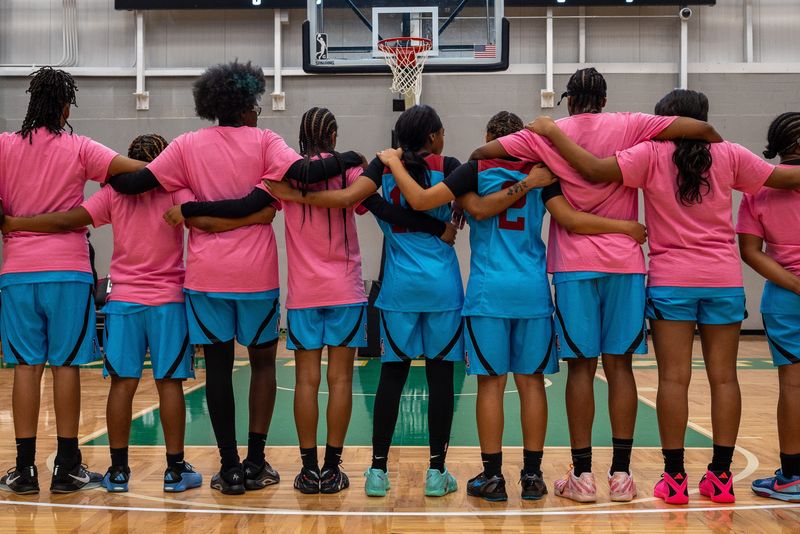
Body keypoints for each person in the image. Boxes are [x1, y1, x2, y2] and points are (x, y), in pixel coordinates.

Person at [104, 61, 368, 495]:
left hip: (206, 279)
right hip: (257, 276)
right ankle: (256, 461)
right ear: (245, 106)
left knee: (220, 370)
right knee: (263, 364)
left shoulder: (187, 145)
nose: (259, 113)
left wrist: (93, 168)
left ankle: (228, 467)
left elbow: (137, 182)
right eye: (256, 105)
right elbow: (304, 174)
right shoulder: (266, 141)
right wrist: (351, 159)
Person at [530, 89, 800, 505]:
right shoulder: (729, 153)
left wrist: (551, 132)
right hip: (723, 280)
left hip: (671, 279)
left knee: (674, 379)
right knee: (725, 378)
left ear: (666, 121)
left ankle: (675, 479)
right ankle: (721, 478)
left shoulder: (649, 154)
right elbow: (783, 176)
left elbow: (594, 169)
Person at [470, 68, 723, 503]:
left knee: (582, 369)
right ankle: (622, 475)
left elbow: (483, 150)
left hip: (574, 267)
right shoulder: (632, 124)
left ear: (568, 100)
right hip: (626, 264)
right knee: (620, 367)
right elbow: (704, 129)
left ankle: (582, 476)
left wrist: (540, 148)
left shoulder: (548, 135)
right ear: (604, 99)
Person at [374, 110, 646, 502]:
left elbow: (467, 208)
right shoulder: (543, 170)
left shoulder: (473, 169)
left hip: (488, 293)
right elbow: (569, 217)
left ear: (490, 138)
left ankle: (493, 477)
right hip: (532, 292)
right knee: (531, 384)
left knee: (491, 385)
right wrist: (623, 227)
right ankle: (532, 477)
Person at [0, 133, 275, 493]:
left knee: (123, 384)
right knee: (169, 383)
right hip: (168, 302)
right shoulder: (176, 191)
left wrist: (18, 224)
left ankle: (117, 472)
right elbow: (207, 220)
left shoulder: (114, 194)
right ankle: (175, 470)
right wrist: (257, 215)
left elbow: (68, 220)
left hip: (123, 302)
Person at [266, 105, 470, 498]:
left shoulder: (379, 172)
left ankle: (376, 472)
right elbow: (458, 207)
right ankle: (436, 472)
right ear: (431, 137)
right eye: (442, 130)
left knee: (389, 380)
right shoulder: (451, 165)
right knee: (440, 380)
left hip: (393, 292)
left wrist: (296, 195)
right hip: (439, 290)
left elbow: (359, 202)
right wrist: (445, 221)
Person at [0, 67, 148, 495]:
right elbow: (140, 171)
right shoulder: (80, 147)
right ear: (66, 107)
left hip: (18, 273)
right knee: (65, 366)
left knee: (26, 367)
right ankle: (67, 467)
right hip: (67, 271)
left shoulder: (6, 146)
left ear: (31, 104)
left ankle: (24, 469)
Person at [739, 112, 800, 502]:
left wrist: (794, 284)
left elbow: (750, 252)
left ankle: (792, 478)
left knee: (792, 387)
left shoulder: (758, 190)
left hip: (784, 298)